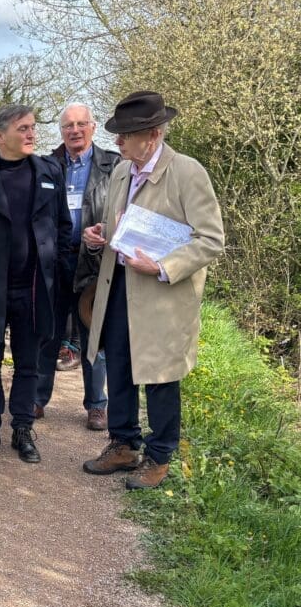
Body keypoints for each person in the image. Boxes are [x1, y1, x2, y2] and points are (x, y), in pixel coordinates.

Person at [82, 91, 224, 489]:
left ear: (154, 135)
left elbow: (210, 239)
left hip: (162, 296)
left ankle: (159, 456)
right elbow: (124, 229)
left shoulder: (188, 172)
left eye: (126, 135)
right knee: (121, 368)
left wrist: (162, 266)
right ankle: (123, 445)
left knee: (161, 377)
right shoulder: (122, 172)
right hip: (119, 288)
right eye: (118, 134)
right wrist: (100, 235)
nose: (118, 142)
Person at [0, 104, 71, 464]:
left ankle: (23, 430)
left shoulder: (49, 171)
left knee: (29, 363)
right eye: (23, 129)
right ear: (1, 136)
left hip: (34, 287)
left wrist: (56, 269)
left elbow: (62, 226)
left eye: (32, 127)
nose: (32, 134)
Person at [34, 103, 119, 430]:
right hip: (54, 261)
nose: (75, 130)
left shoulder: (113, 165)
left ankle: (97, 405)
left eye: (81, 124)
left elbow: (125, 211)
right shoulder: (45, 164)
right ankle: (38, 399)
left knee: (93, 336)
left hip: (94, 263)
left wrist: (105, 233)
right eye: (68, 125)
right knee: (48, 333)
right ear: (61, 131)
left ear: (93, 127)